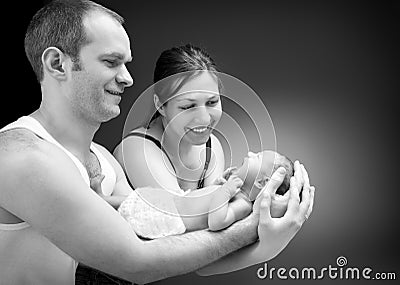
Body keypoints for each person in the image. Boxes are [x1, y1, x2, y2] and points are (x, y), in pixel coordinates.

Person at [0, 1, 314, 285]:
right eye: (111, 62)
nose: (128, 77)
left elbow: (161, 235)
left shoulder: (104, 162)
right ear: (57, 64)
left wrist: (270, 229)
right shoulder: (23, 156)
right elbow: (138, 262)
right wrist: (256, 226)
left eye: (126, 63)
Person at [119, 150, 294, 239]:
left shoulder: (243, 204)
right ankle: (101, 198)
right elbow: (207, 198)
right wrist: (219, 184)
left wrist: (225, 192)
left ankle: (102, 204)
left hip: (171, 217)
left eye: (257, 157)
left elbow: (216, 221)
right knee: (135, 198)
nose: (250, 153)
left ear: (261, 182)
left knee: (129, 218)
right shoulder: (232, 189)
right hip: (173, 201)